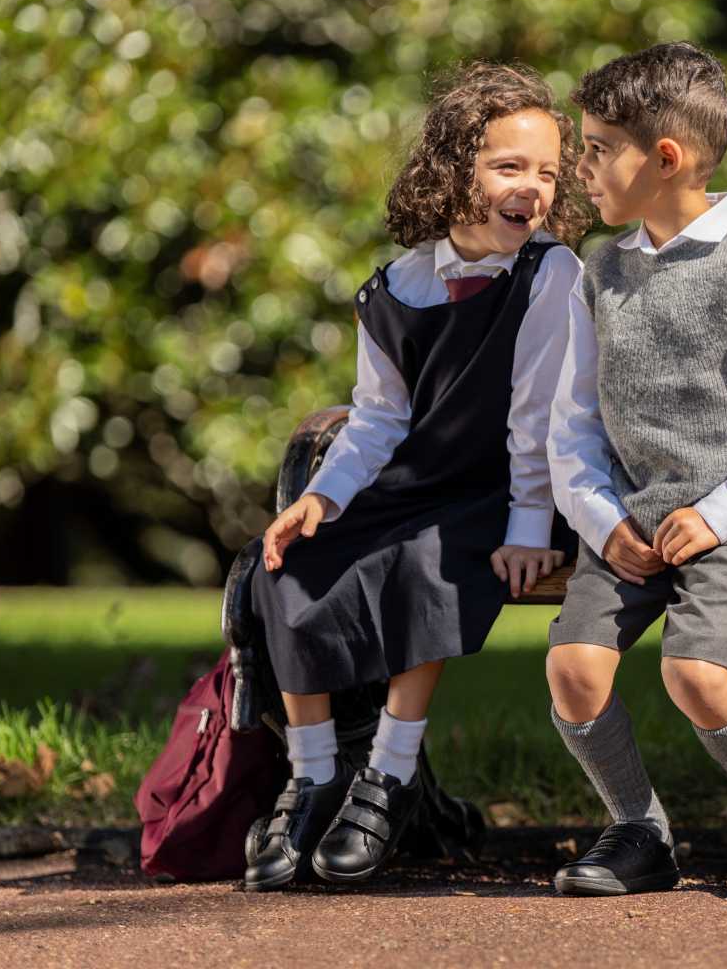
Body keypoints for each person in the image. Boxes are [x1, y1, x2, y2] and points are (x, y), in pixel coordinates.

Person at [245, 61, 588, 891]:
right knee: (286, 564)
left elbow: (541, 420)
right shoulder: (393, 287)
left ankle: (389, 779)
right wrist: (320, 498)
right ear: (452, 171)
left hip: (511, 493)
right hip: (418, 480)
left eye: (548, 173)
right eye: (510, 167)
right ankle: (315, 776)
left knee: (421, 567)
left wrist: (528, 531)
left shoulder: (553, 276)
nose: (533, 190)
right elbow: (378, 421)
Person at [545, 42, 727, 899]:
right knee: (572, 670)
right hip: (633, 519)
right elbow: (574, 423)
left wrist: (717, 515)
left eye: (597, 149)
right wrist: (606, 522)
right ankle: (639, 832)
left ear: (665, 158)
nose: (582, 167)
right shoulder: (598, 274)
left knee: (696, 674)